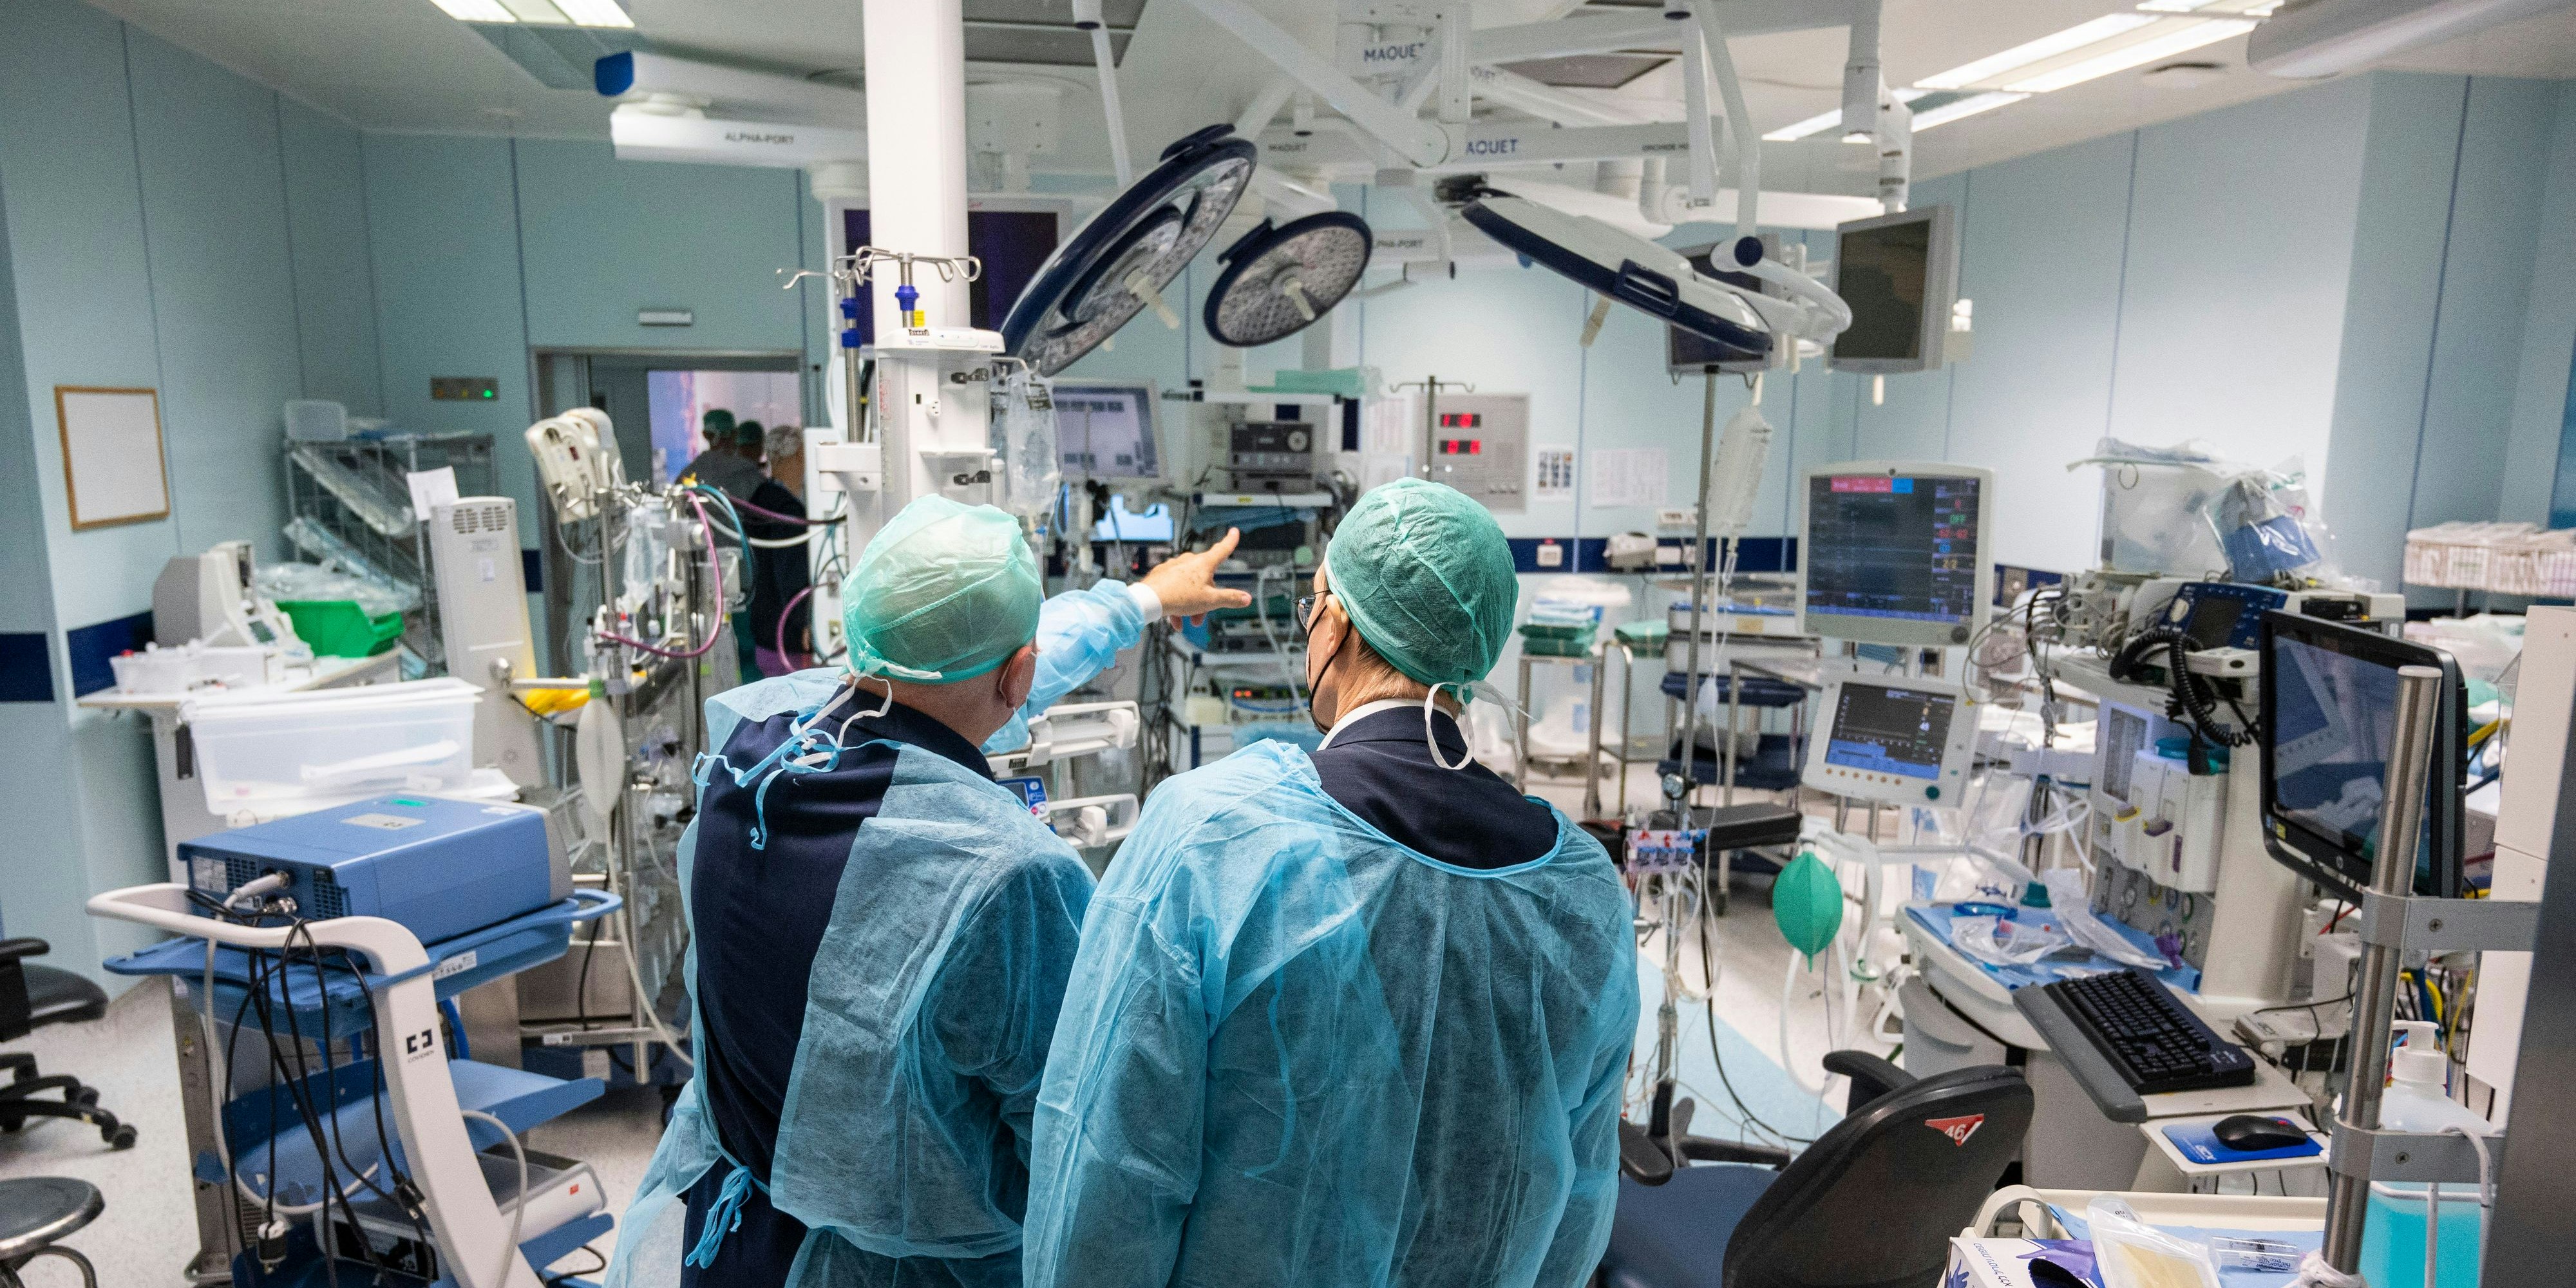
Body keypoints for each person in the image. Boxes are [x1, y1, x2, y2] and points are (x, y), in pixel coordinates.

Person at [607, 495, 1250, 1288]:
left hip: (730, 1238)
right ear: (1019, 673)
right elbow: (1079, 1138)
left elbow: (940, 684)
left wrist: (1140, 600)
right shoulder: (1007, 876)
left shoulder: (751, 739)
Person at [1022, 478, 1640, 1288]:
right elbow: (1577, 1200)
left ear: (1336, 623)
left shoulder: (1213, 838)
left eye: (1315, 607)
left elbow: (1108, 1168)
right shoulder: (1582, 892)